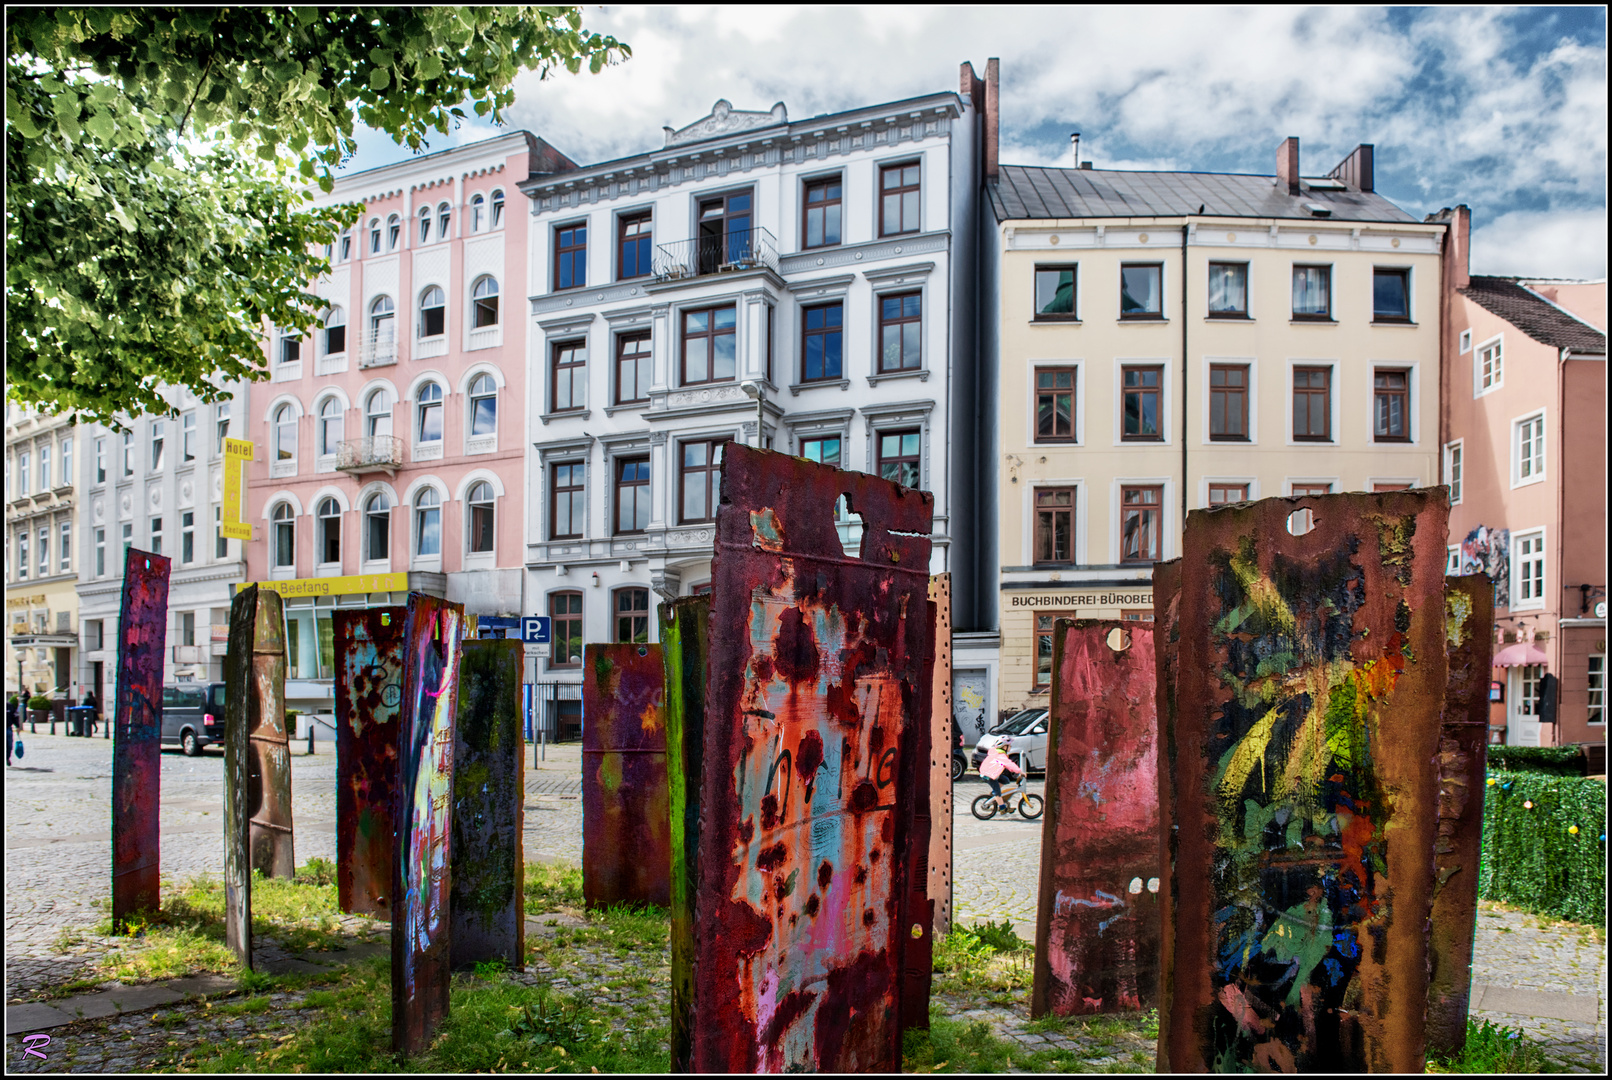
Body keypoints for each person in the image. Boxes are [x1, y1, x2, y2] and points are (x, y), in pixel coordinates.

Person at [979, 736, 1024, 812]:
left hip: (993, 774)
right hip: (989, 776)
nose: (1010, 747)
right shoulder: (1000, 755)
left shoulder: (999, 753)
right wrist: (1020, 771)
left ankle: (994, 793)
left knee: (1006, 780)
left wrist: (1013, 770)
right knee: (998, 792)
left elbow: (1008, 765)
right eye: (1009, 746)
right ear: (1004, 747)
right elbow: (1009, 764)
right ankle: (1002, 808)